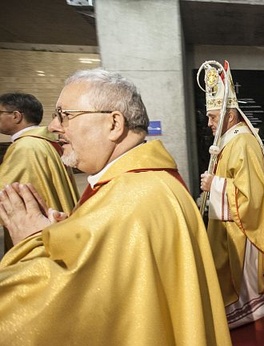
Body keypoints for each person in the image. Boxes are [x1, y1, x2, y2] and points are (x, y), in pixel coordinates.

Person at [0, 68, 231, 345]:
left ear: (113, 124)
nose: (53, 127)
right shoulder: (142, 181)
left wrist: (31, 242)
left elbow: (51, 308)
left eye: (65, 115)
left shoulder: (130, 200)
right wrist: (67, 235)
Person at [198, 60, 264, 329]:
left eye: (213, 117)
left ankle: (254, 304)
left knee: (241, 275)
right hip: (227, 223)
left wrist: (214, 185)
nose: (209, 123)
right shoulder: (230, 140)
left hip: (244, 230)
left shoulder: (243, 142)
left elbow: (252, 197)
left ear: (230, 116)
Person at [0, 92, 79, 254]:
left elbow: (4, 193)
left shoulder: (25, 147)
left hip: (37, 232)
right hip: (57, 222)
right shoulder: (45, 141)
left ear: (16, 116)